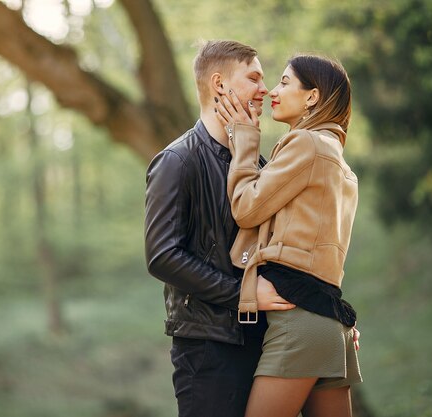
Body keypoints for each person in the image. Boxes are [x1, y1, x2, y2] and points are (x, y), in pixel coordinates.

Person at [144, 40, 297, 417]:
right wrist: (242, 295)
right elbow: (162, 256)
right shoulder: (177, 161)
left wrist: (329, 315)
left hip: (267, 340)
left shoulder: (256, 162)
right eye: (254, 78)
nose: (265, 89)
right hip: (208, 349)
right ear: (219, 85)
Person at [214, 54, 362, 417]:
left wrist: (245, 139)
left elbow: (246, 208)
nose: (273, 92)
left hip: (300, 322)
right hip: (327, 321)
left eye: (284, 82)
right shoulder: (337, 160)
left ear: (312, 97)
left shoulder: (308, 144)